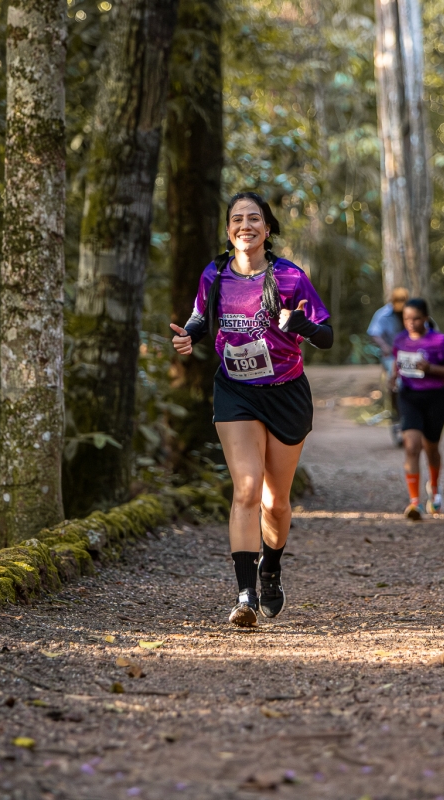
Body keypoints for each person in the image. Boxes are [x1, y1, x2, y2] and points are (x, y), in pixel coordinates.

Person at [170, 192, 332, 627]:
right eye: (238, 219)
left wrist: (302, 325)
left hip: (285, 392)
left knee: (275, 502)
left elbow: (327, 335)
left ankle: (271, 569)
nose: (246, 225)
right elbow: (201, 316)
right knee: (246, 489)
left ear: (267, 228)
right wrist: (188, 336)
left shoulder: (291, 277)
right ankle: (245, 595)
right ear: (229, 230)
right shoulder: (215, 274)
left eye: (254, 218)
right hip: (236, 390)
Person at [392, 298, 444, 520]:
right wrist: (393, 376)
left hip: (436, 398)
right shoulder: (400, 340)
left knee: (431, 448)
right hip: (409, 397)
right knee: (411, 446)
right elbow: (397, 363)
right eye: (406, 319)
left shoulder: (438, 341)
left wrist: (431, 368)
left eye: (416, 319)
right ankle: (415, 503)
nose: (411, 323)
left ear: (425, 318)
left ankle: (434, 487)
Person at [367, 287, 409, 446]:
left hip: (409, 353)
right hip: (391, 354)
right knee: (396, 381)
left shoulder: (412, 312)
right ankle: (397, 418)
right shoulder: (383, 314)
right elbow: (374, 332)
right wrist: (385, 346)